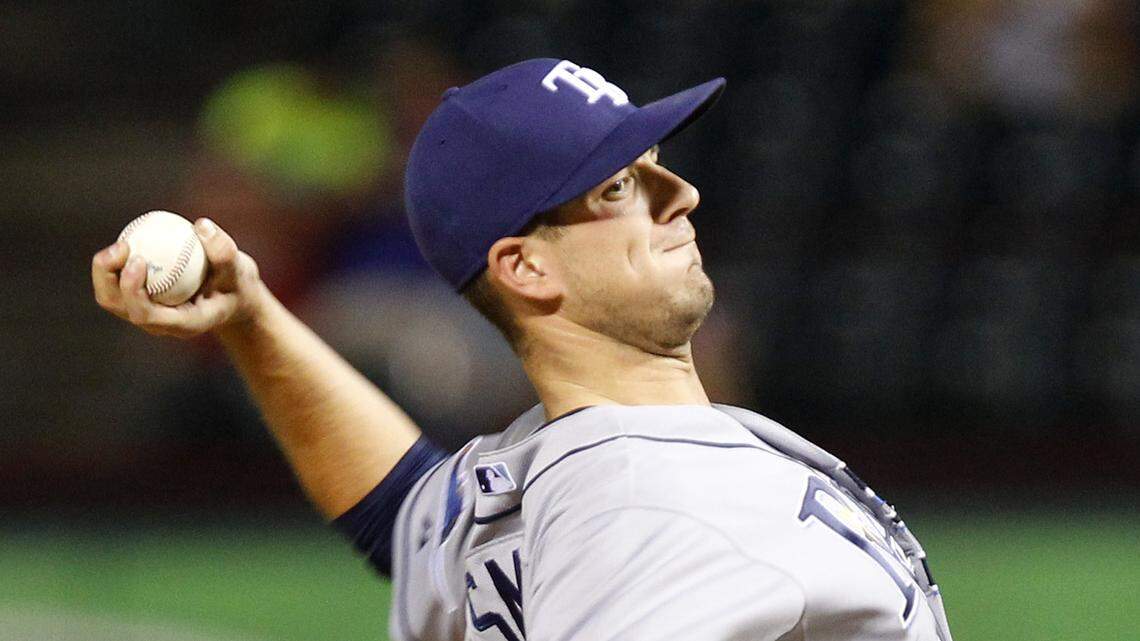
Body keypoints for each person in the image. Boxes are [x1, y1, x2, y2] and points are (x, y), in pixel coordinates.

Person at [91, 58, 953, 641]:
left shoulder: (529, 481)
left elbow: (401, 510)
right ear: (525, 267)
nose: (681, 194)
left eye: (657, 163)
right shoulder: (655, 510)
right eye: (621, 187)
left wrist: (254, 321)